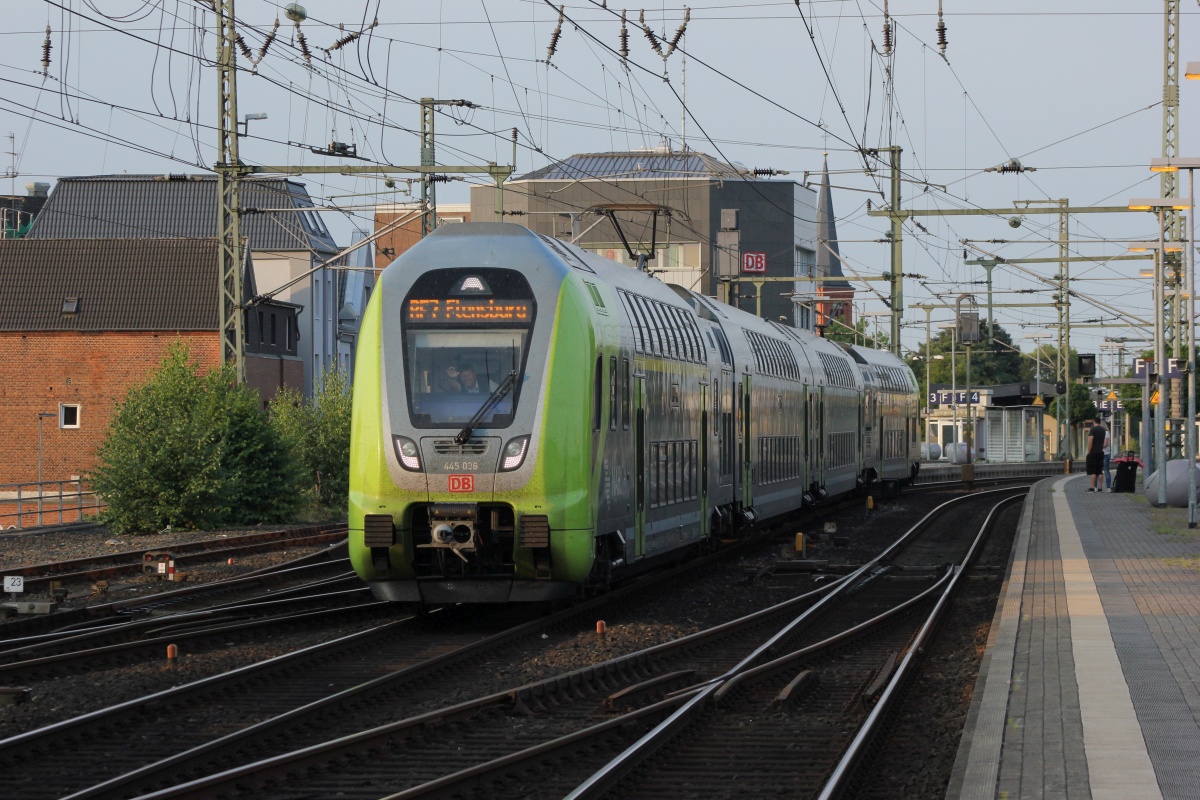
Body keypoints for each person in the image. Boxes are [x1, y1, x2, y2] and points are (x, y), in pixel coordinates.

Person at [1086, 416, 1106, 492]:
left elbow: (1090, 442)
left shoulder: (1093, 430)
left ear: (1094, 421)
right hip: (1101, 452)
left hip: (1093, 452)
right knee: (1100, 471)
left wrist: (1089, 452)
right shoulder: (1103, 430)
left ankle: (1092, 487)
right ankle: (1100, 487)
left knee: (1093, 471)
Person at [1102, 422, 1113, 491]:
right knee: (1104, 471)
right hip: (1101, 453)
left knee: (1106, 471)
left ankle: (1108, 486)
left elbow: (1105, 444)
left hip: (1105, 454)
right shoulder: (1105, 433)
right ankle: (1098, 487)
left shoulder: (1106, 433)